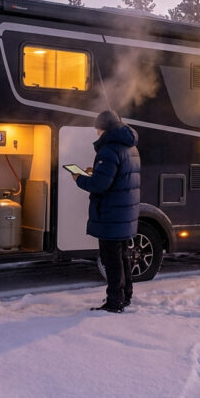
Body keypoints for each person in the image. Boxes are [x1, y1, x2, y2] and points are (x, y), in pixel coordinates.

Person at [72, 110, 141, 313]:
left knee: (112, 259)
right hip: (124, 212)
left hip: (111, 213)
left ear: (104, 129)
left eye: (97, 129)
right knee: (123, 256)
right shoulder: (130, 147)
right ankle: (125, 295)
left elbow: (101, 185)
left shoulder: (108, 150)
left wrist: (80, 179)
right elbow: (119, 176)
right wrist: (97, 172)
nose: (96, 133)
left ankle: (114, 302)